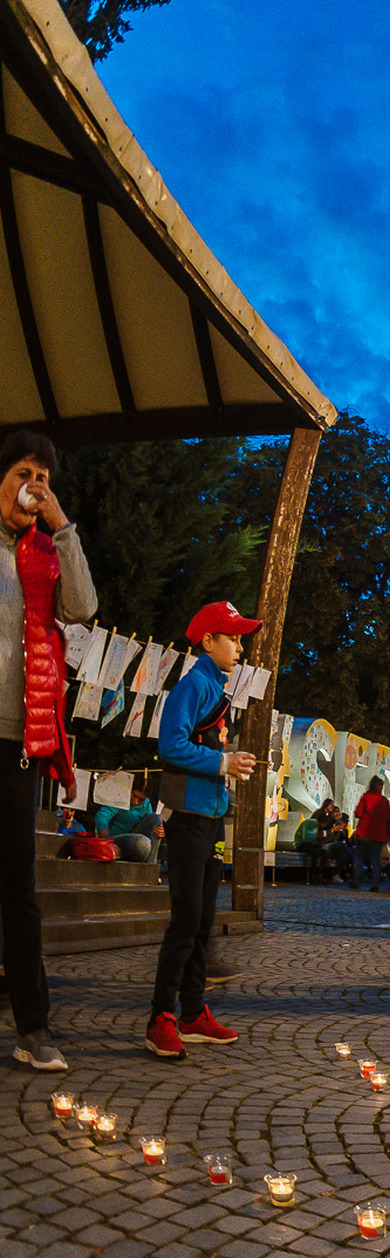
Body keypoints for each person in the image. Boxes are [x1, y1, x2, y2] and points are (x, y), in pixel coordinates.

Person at [1, 431, 93, 1071]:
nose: (30, 485)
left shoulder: (41, 552)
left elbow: (83, 608)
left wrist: (61, 524)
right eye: (20, 473)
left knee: (19, 890)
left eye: (41, 477)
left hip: (16, 744)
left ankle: (34, 1028)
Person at [144, 600, 262, 1060]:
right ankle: (160, 1018)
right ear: (208, 641)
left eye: (240, 638)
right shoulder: (193, 684)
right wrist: (222, 762)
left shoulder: (216, 685)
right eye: (232, 637)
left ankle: (193, 1013)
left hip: (211, 818)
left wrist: (231, 767)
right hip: (188, 818)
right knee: (186, 920)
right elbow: (170, 746)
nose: (240, 646)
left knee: (204, 921)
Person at [350, 775, 390, 891]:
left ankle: (356, 881)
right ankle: (375, 884)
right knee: (375, 860)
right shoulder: (384, 801)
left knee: (359, 858)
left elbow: (358, 813)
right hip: (378, 835)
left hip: (364, 832)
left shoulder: (366, 797)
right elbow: (388, 817)